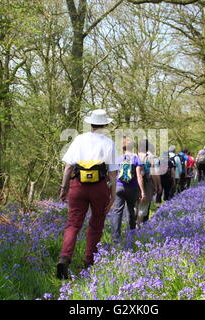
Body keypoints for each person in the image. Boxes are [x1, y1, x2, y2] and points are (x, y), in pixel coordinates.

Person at [57, 109, 118, 279]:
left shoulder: (79, 139)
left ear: (91, 123)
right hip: (99, 187)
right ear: (105, 124)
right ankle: (89, 260)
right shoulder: (108, 143)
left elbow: (68, 167)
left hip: (78, 185)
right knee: (96, 223)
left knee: (73, 224)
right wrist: (113, 195)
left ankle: (64, 257)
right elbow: (113, 173)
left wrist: (64, 188)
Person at [111, 139, 146, 245]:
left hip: (119, 187)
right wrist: (143, 192)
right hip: (132, 188)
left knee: (117, 211)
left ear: (122, 148)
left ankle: (116, 238)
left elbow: (112, 175)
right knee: (131, 210)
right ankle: (132, 233)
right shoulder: (136, 159)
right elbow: (139, 176)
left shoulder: (117, 159)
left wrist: (111, 189)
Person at [136, 139, 161, 227]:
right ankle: (137, 226)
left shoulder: (134, 156)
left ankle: (132, 226)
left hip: (134, 184)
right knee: (143, 206)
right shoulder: (150, 158)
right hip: (147, 184)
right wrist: (157, 186)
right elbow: (154, 174)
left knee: (135, 206)